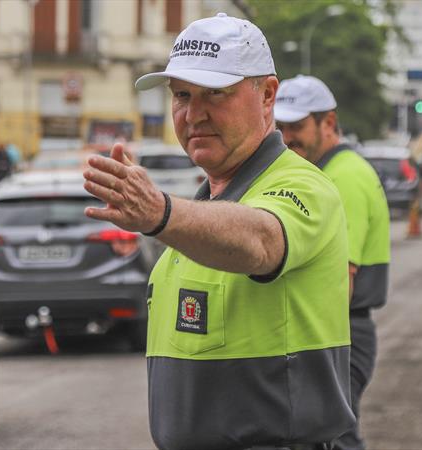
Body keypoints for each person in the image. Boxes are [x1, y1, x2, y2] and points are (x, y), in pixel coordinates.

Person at [83, 13, 354, 450]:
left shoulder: (303, 185)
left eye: (216, 93)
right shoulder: (203, 206)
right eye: (182, 95)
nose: (194, 114)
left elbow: (261, 242)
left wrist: (160, 213)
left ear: (267, 95)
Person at [275, 75, 390, 450]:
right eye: (280, 126)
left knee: (333, 437)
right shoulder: (325, 172)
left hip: (339, 335)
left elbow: (343, 280)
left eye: (296, 126)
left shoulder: (344, 178)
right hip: (336, 334)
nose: (286, 136)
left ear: (328, 122)